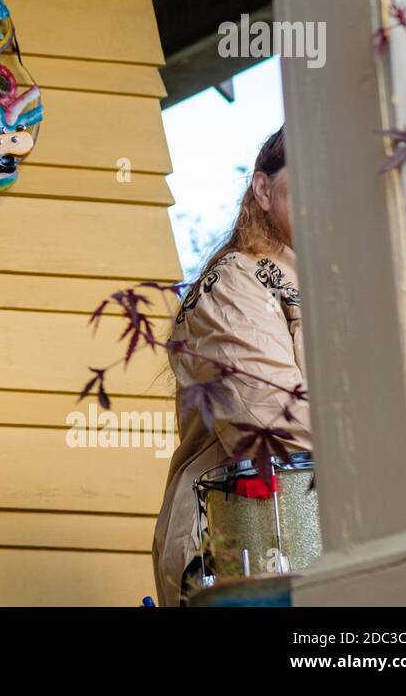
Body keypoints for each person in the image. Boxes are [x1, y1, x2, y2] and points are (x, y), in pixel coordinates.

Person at [151, 126, 311, 606]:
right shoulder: (234, 282)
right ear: (263, 189)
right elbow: (272, 428)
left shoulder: (349, 291)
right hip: (246, 553)